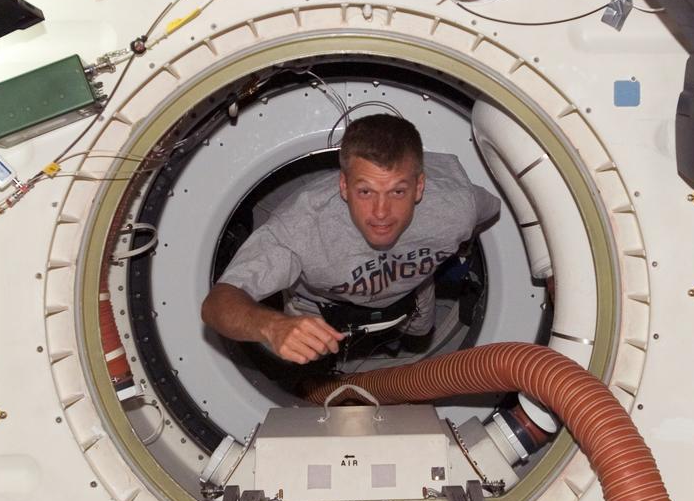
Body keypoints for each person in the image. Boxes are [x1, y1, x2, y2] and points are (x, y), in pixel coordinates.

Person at [201, 114, 501, 364]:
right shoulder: (302, 228)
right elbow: (217, 304)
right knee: (306, 358)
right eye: (365, 191)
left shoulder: (458, 206)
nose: (381, 213)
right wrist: (271, 326)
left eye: (398, 191)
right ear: (343, 186)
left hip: (414, 289)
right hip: (319, 305)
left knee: (421, 335)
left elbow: (500, 213)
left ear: (420, 187)